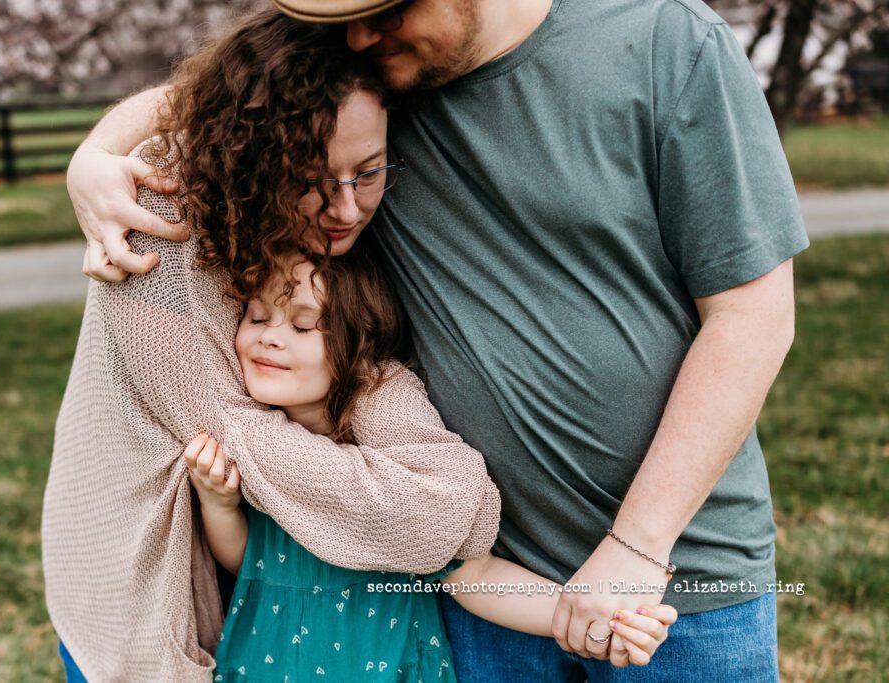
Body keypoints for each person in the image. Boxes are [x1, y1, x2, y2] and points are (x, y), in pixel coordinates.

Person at [66, 0, 809, 679]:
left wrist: (637, 547)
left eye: (386, 10)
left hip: (680, 579)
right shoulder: (376, 78)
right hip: (485, 588)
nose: (358, 35)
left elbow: (753, 315)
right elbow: (226, 92)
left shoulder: (664, 43)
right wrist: (94, 155)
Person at [43, 12, 503, 681]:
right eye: (315, 177)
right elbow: (237, 438)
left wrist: (435, 487)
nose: (346, 209)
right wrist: (94, 154)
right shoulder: (160, 215)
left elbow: (369, 378)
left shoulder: (328, 223)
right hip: (144, 583)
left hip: (279, 601)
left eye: (368, 172)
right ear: (251, 151)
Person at [185, 249, 677, 681]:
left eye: (302, 324)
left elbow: (474, 579)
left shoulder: (396, 467)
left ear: (357, 345)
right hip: (268, 665)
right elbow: (254, 562)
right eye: (255, 316)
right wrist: (219, 505)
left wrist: (602, 618)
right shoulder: (262, 450)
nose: (270, 338)